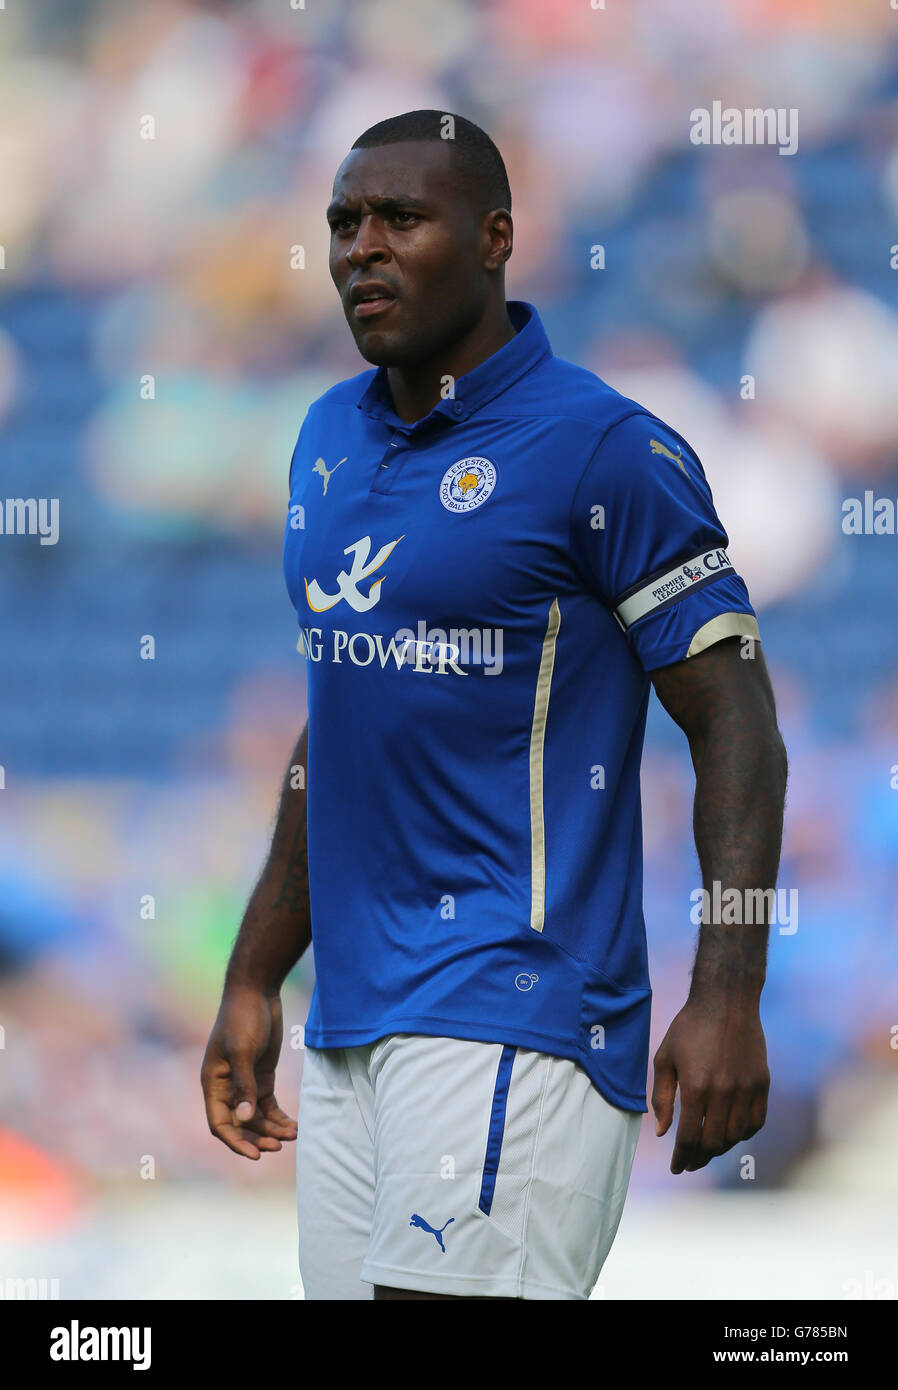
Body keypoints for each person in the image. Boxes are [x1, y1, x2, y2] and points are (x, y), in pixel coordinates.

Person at [201, 110, 788, 1301]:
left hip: (516, 1008)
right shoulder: (324, 439)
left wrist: (727, 991)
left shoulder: (604, 450)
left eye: (400, 219)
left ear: (495, 237)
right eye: (342, 223)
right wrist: (256, 973)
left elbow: (736, 723)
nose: (361, 248)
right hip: (354, 1016)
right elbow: (344, 712)